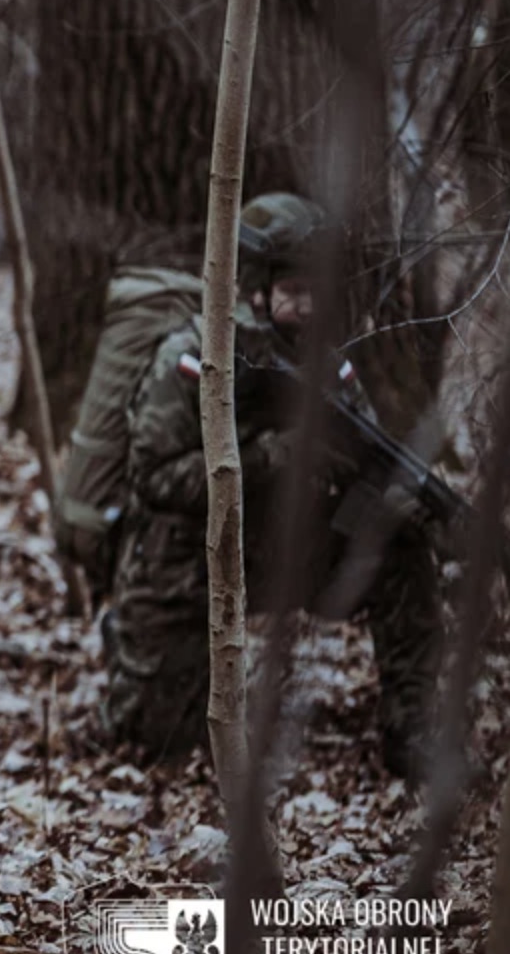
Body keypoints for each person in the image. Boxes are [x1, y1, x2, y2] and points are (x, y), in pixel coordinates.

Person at [98, 193, 447, 776]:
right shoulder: (191, 358)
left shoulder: (329, 369)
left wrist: (402, 506)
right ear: (254, 285)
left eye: (317, 290)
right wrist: (267, 457)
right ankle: (127, 640)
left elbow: (363, 472)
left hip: (283, 554)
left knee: (402, 548)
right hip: (189, 570)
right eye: (293, 290)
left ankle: (412, 730)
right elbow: (153, 477)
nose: (308, 307)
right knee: (155, 742)